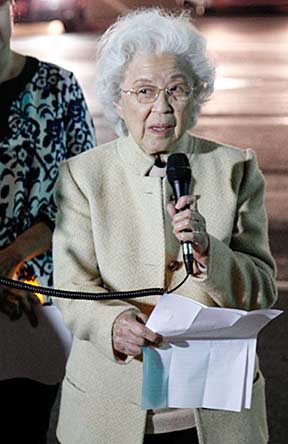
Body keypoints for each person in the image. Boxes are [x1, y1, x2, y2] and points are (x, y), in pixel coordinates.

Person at [52, 8, 277, 444]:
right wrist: (111, 324)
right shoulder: (83, 175)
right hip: (108, 413)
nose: (161, 107)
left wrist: (212, 252)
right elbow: (71, 287)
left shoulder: (236, 168)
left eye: (176, 89)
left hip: (216, 414)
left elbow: (262, 289)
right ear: (117, 99)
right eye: (144, 91)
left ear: (198, 95)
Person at [0, 1, 96, 443]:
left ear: (12, 7)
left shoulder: (59, 88)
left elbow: (85, 198)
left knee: (25, 424)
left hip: (37, 304)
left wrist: (13, 259)